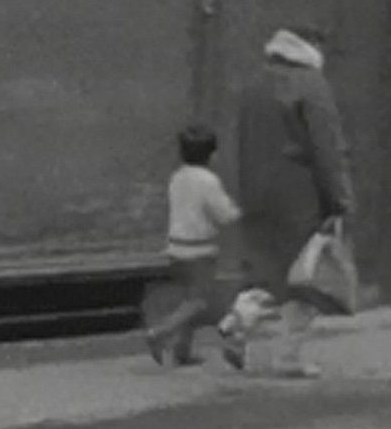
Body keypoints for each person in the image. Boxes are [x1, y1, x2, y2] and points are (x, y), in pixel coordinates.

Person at [222, 26, 355, 379]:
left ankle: (238, 322)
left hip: (256, 192)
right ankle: (287, 356)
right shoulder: (312, 85)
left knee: (270, 272)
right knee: (309, 279)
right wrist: (339, 201)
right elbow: (327, 150)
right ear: (311, 47)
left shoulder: (255, 84)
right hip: (300, 194)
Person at [145, 125, 241, 367]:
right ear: (212, 154)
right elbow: (225, 214)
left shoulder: (177, 177)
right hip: (200, 250)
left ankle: (182, 351)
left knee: (188, 298)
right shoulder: (208, 181)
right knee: (198, 302)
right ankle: (159, 332)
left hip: (175, 248)